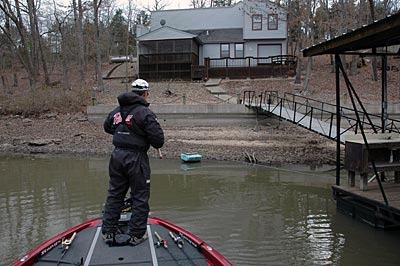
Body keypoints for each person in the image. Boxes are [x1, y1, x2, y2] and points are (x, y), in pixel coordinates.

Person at [102, 78, 164, 246]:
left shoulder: (117, 111)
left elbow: (107, 127)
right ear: (145, 94)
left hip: (117, 157)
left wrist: (123, 132)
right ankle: (137, 235)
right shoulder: (145, 113)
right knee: (140, 197)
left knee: (115, 194)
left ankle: (108, 231)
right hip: (136, 158)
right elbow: (158, 141)